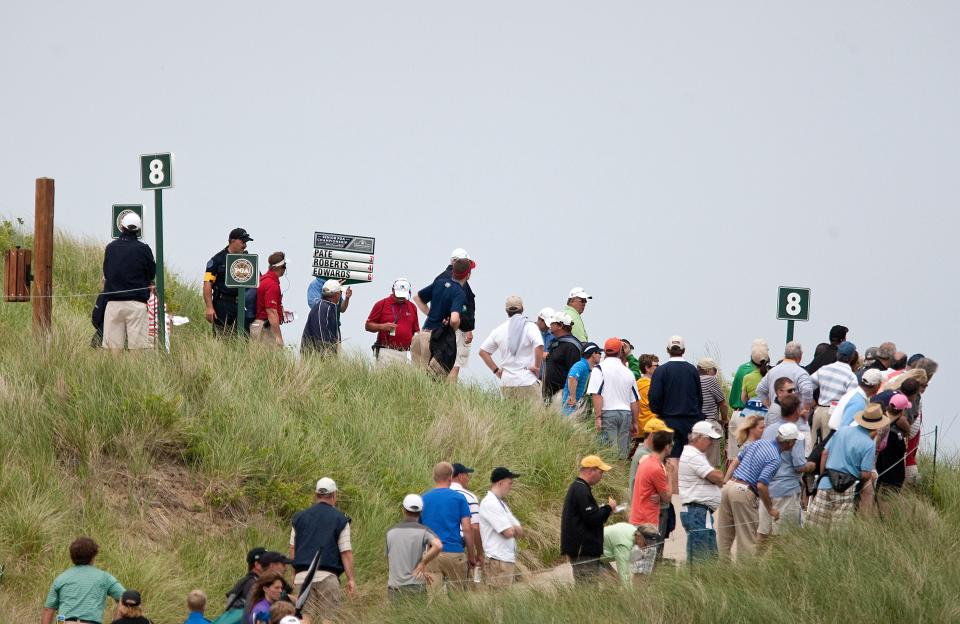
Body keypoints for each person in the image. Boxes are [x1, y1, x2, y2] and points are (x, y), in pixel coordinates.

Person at [807, 404, 889, 530]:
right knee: (838, 532)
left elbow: (824, 453)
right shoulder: (869, 444)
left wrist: (825, 474)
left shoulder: (842, 430)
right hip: (847, 488)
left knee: (815, 527)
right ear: (877, 425)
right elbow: (866, 474)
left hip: (825, 483)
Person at [289, 477, 356, 622]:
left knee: (305, 618)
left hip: (303, 577)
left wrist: (294, 575)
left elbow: (293, 549)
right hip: (328, 576)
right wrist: (351, 579)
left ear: (316, 495)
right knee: (328, 620)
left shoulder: (299, 518)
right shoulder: (340, 519)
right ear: (334, 495)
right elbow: (346, 552)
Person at [717, 426, 789, 560]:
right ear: (790, 442)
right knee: (747, 543)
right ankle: (745, 578)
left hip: (729, 486)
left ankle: (722, 574)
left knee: (724, 539)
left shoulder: (758, 442)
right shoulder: (775, 458)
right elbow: (761, 485)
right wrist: (770, 509)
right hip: (744, 491)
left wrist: (725, 482)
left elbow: (736, 461)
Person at [758, 397, 814, 544]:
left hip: (767, 488)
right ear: (796, 410)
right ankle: (780, 567)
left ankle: (756, 564)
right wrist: (811, 465)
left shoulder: (769, 429)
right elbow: (799, 465)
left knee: (764, 534)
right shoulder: (794, 433)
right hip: (786, 489)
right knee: (784, 538)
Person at [649, 336, 702, 489]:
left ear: (668, 350)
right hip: (690, 419)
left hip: (668, 419)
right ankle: (688, 490)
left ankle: (674, 491)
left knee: (672, 455)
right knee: (690, 457)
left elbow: (654, 396)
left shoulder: (661, 370)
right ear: (683, 350)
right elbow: (699, 397)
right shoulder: (692, 370)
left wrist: (658, 412)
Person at [101, 213, 156, 350]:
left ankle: (114, 372)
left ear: (122, 227)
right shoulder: (144, 249)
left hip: (113, 303)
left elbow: (107, 272)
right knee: (137, 350)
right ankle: (133, 372)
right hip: (136, 304)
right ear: (138, 229)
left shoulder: (111, 248)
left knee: (113, 350)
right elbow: (151, 273)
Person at [420, 462, 477, 592]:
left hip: (432, 555)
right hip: (454, 552)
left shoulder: (423, 499)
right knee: (458, 598)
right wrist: (471, 556)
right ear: (450, 477)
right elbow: (467, 529)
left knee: (434, 599)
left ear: (434, 477)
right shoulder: (459, 498)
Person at [42, 537, 125, 624]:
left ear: (72, 557)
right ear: (93, 557)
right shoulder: (104, 577)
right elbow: (126, 598)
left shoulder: (61, 578)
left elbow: (48, 610)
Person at [560, 456, 617, 583]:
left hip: (584, 550)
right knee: (587, 587)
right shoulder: (580, 489)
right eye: (600, 472)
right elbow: (592, 518)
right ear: (591, 470)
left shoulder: (580, 488)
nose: (602, 476)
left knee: (591, 586)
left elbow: (589, 515)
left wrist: (604, 510)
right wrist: (609, 508)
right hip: (583, 551)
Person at [478, 296, 544, 401]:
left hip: (507, 382)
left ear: (506, 310)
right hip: (527, 380)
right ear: (522, 309)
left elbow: (483, 352)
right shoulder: (530, 326)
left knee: (512, 417)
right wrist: (536, 367)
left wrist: (496, 371)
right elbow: (539, 345)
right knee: (535, 417)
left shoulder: (499, 330)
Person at [411, 258, 470, 376]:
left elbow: (417, 297)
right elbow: (454, 319)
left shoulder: (439, 283)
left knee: (416, 381)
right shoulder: (459, 292)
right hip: (435, 340)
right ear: (468, 275)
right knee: (432, 382)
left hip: (421, 336)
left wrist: (431, 314)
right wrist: (454, 326)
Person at [587, 338, 640, 459]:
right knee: (623, 453)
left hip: (607, 413)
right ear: (620, 352)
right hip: (626, 414)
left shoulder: (599, 369)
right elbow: (635, 400)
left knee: (608, 453)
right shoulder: (628, 372)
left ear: (605, 351)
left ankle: (611, 476)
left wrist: (598, 417)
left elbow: (596, 394)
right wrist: (635, 422)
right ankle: (621, 475)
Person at [385, 494, 443, 602]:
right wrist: (423, 563)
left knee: (396, 618)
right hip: (416, 585)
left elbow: (389, 560)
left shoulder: (390, 532)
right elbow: (438, 545)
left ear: (403, 510)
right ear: (421, 512)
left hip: (395, 587)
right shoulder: (424, 530)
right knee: (417, 618)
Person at [478, 467, 523, 588]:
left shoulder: (500, 503)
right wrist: (512, 528)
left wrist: (512, 528)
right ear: (500, 482)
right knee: (497, 602)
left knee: (502, 602)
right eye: (509, 483)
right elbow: (508, 532)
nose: (511, 486)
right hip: (497, 561)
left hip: (503, 560)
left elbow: (519, 529)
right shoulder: (490, 503)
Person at [204, 228, 252, 336]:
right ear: (232, 241)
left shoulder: (247, 260)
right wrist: (209, 307)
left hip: (240, 304)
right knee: (222, 337)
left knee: (244, 338)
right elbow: (207, 283)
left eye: (246, 242)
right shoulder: (217, 260)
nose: (245, 245)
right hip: (222, 304)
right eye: (242, 242)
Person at [439, 249, 478, 382]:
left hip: (440, 327)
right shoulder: (459, 280)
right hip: (456, 328)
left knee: (440, 364)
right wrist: (468, 329)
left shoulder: (441, 277)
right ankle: (449, 398)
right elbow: (463, 306)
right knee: (454, 365)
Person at [810, 341, 860, 444]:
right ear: (851, 357)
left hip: (818, 411)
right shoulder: (851, 376)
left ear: (837, 354)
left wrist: (810, 403)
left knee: (813, 448)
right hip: (834, 413)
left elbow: (807, 386)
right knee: (827, 448)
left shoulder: (824, 369)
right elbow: (849, 401)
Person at [365, 278, 420, 366]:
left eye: (403, 295)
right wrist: (383, 326)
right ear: (393, 290)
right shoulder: (381, 304)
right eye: (399, 295)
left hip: (405, 352)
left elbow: (416, 330)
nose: (401, 298)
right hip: (385, 351)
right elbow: (368, 326)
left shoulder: (412, 307)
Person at [629, 432, 672, 532]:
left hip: (639, 518)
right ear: (666, 447)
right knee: (651, 548)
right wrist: (669, 475)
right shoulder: (656, 468)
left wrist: (659, 495)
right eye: (671, 445)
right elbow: (667, 498)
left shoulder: (646, 461)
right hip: (647, 522)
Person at [755, 341, 815, 412]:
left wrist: (770, 406)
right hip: (793, 416)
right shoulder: (801, 373)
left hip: (774, 415)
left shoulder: (772, 372)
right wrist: (805, 410)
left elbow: (759, 390)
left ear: (785, 354)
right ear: (801, 355)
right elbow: (807, 390)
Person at [628, 419, 674, 508]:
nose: (665, 440)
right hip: (650, 510)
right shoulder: (645, 456)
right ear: (652, 435)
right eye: (663, 436)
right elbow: (664, 493)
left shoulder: (648, 453)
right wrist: (669, 474)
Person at [449, 463, 484, 577]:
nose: (468, 479)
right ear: (460, 476)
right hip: (458, 545)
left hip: (434, 546)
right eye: (467, 475)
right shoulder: (469, 496)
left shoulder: (436, 494)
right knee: (459, 586)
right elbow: (474, 527)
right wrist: (477, 553)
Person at [542, 311, 583, 402]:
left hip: (562, 396)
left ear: (560, 326)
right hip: (551, 396)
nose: (550, 326)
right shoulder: (558, 343)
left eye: (552, 323)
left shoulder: (571, 346)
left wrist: (571, 395)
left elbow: (574, 374)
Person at [251, 251, 287, 348]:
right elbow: (271, 312)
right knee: (270, 359)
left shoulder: (264, 279)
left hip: (258, 325)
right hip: (265, 328)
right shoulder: (271, 284)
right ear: (278, 267)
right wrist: (278, 337)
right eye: (284, 266)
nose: (285, 269)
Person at [697, 357, 728, 467]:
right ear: (708, 370)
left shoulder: (693, 379)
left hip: (695, 425)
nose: (715, 373)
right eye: (714, 370)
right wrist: (725, 420)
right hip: (709, 424)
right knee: (710, 464)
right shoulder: (711, 380)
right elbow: (722, 403)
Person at [300, 280, 343, 356]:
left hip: (317, 354)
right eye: (340, 293)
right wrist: (329, 354)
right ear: (336, 295)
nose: (340, 296)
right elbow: (321, 334)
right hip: (316, 356)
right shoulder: (324, 307)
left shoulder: (325, 305)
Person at [562, 342, 601, 416]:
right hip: (570, 408)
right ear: (593, 354)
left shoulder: (586, 367)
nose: (600, 356)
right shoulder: (581, 365)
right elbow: (572, 377)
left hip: (576, 408)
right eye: (599, 353)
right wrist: (572, 397)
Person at [635, 354, 660, 434]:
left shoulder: (637, 383)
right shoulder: (650, 385)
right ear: (647, 368)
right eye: (656, 365)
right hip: (652, 426)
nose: (659, 367)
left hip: (639, 427)